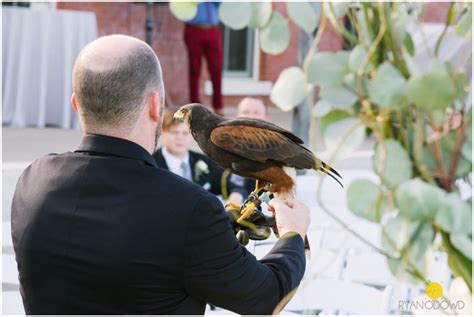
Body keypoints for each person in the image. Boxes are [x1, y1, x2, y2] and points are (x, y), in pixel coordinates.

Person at [11, 34, 310, 314]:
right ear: (156, 105)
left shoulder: (31, 183)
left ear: (77, 105)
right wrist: (293, 233)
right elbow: (266, 296)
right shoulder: (190, 209)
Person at [153, 111, 245, 204]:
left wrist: (236, 195)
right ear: (162, 133)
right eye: (174, 132)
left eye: (185, 133)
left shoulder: (205, 161)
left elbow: (233, 187)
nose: (180, 137)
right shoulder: (152, 163)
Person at [184, 2, 223, 115]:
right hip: (194, 29)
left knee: (216, 69)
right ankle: (195, 107)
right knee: (194, 69)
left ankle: (218, 106)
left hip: (213, 29)